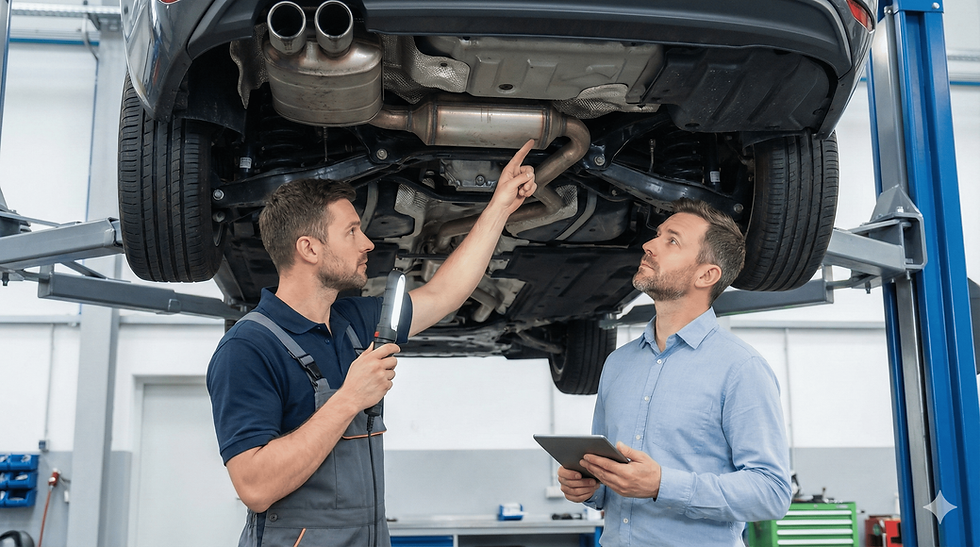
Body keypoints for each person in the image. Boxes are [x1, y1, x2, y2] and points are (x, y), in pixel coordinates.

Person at [207, 140, 538, 547]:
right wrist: (349, 398)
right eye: (351, 232)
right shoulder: (248, 348)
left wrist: (500, 207)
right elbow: (255, 487)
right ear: (309, 249)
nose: (367, 243)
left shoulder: (355, 322)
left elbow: (444, 294)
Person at [557, 199, 792, 546]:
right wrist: (589, 486)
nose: (649, 245)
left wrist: (662, 485)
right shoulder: (617, 364)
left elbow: (771, 492)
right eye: (658, 235)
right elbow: (612, 485)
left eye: (672, 241)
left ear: (706, 274)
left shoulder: (741, 369)